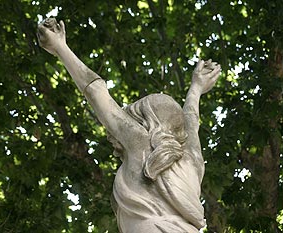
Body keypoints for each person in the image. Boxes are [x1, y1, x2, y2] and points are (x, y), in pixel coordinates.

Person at [37, 18, 221, 233]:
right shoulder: (193, 161)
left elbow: (96, 92)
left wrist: (60, 47)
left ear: (143, 122)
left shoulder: (140, 144)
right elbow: (191, 120)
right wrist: (196, 88)